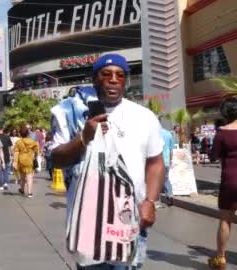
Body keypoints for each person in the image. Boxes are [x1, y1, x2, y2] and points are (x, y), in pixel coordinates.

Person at [51, 53, 165, 269]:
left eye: (120, 75)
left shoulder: (144, 116)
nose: (114, 79)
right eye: (106, 74)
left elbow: (156, 162)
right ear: (95, 78)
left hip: (130, 219)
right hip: (89, 221)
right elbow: (56, 160)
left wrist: (150, 201)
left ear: (125, 81)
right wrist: (84, 137)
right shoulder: (71, 112)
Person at [208, 98, 237, 270]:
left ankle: (220, 259)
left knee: (226, 219)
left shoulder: (222, 133)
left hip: (230, 180)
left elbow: (213, 156)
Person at [13, 127, 38, 198]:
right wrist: (35, 157)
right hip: (29, 159)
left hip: (21, 160)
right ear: (28, 134)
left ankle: (22, 189)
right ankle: (30, 193)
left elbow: (16, 152)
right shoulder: (32, 141)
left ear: (20, 134)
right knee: (29, 176)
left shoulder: (18, 142)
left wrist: (15, 162)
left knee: (22, 176)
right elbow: (36, 151)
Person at [157, 127, 174, 208]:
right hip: (166, 160)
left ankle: (157, 201)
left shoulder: (154, 134)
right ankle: (170, 195)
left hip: (156, 160)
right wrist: (171, 160)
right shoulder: (168, 134)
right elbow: (171, 150)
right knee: (166, 178)